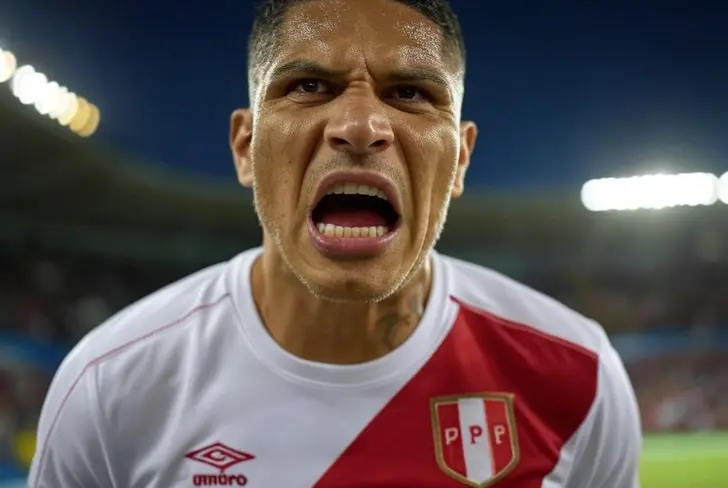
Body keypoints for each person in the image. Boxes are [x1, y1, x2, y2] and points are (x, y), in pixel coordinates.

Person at [29, 0, 642, 487]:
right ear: (245, 147)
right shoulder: (109, 386)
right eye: (309, 86)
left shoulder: (578, 375)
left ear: (460, 158)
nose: (359, 125)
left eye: (409, 93)